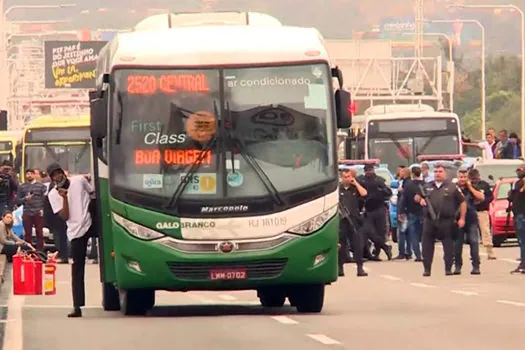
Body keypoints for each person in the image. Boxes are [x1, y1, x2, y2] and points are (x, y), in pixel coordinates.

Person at [47, 163, 94, 318]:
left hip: (91, 222)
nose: (57, 177)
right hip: (75, 231)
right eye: (54, 176)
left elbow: (93, 192)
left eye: (59, 173)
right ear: (52, 179)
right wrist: (65, 197)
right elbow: (65, 216)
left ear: (63, 173)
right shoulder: (53, 195)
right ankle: (77, 306)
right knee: (77, 269)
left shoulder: (79, 180)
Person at [415, 164, 466, 276]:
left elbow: (462, 202)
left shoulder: (452, 187)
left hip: (446, 221)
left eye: (440, 171)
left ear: (445, 173)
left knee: (448, 246)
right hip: (429, 220)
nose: (438, 173)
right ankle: (427, 269)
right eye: (436, 171)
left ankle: (448, 269)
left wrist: (462, 218)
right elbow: (417, 197)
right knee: (426, 245)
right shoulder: (427, 186)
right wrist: (420, 200)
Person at [359, 164, 393, 261]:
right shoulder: (361, 180)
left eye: (371, 170)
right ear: (365, 171)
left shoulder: (380, 180)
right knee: (370, 233)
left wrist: (381, 191)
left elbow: (388, 192)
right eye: (367, 170)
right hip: (367, 209)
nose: (369, 172)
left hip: (379, 208)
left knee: (380, 232)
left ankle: (376, 253)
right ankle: (385, 247)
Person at [338, 168, 368, 277]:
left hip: (355, 220)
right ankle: (340, 268)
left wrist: (355, 183)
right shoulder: (338, 189)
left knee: (357, 245)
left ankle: (360, 268)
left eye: (349, 177)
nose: (347, 179)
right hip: (342, 221)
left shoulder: (354, 189)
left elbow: (364, 193)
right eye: (345, 177)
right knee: (341, 245)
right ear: (341, 177)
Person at [453, 169, 483, 275]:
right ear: (457, 177)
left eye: (465, 177)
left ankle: (476, 266)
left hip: (471, 219)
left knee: (474, 243)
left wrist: (470, 187)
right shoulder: (453, 188)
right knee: (457, 244)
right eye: (461, 177)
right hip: (457, 220)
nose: (463, 179)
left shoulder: (472, 187)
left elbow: (481, 197)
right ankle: (457, 266)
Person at [16, 169, 47, 251]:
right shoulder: (22, 187)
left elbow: (45, 199)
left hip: (38, 211)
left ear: (34, 175)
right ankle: (28, 251)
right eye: (27, 174)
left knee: (39, 233)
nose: (29, 175)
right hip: (27, 212)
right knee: (27, 233)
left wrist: (42, 209)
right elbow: (17, 200)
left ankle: (40, 251)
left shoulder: (41, 186)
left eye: (31, 174)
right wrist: (25, 199)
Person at [469, 168, 496, 260]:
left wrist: (483, 201)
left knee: (485, 231)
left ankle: (490, 252)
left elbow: (490, 197)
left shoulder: (484, 185)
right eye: (472, 178)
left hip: (482, 210)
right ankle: (474, 253)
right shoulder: (468, 186)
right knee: (472, 233)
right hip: (471, 211)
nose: (474, 179)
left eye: (475, 177)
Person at [401, 164, 424, 262]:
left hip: (411, 212)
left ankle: (418, 255)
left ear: (412, 174)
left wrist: (402, 211)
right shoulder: (425, 184)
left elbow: (404, 199)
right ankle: (425, 253)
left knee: (413, 234)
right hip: (424, 212)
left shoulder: (408, 185)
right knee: (424, 234)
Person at [508, 165, 525, 274]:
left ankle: (523, 265)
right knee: (521, 241)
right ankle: (523, 263)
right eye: (517, 170)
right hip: (517, 214)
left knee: (523, 241)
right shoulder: (518, 182)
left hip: (523, 215)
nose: (518, 171)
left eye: (521, 169)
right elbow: (513, 196)